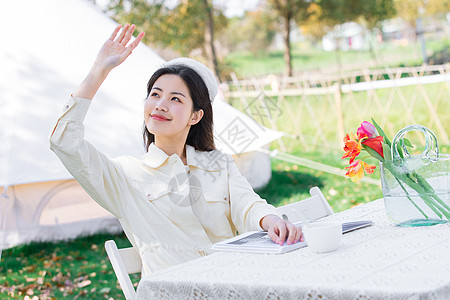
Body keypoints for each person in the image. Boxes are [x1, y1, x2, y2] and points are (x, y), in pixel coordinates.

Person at [50, 24, 303, 275]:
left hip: (230, 279)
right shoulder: (124, 175)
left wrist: (270, 220)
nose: (160, 105)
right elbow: (65, 142)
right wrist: (98, 71)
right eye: (155, 94)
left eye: (175, 99)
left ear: (195, 116)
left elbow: (247, 205)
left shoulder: (219, 164)